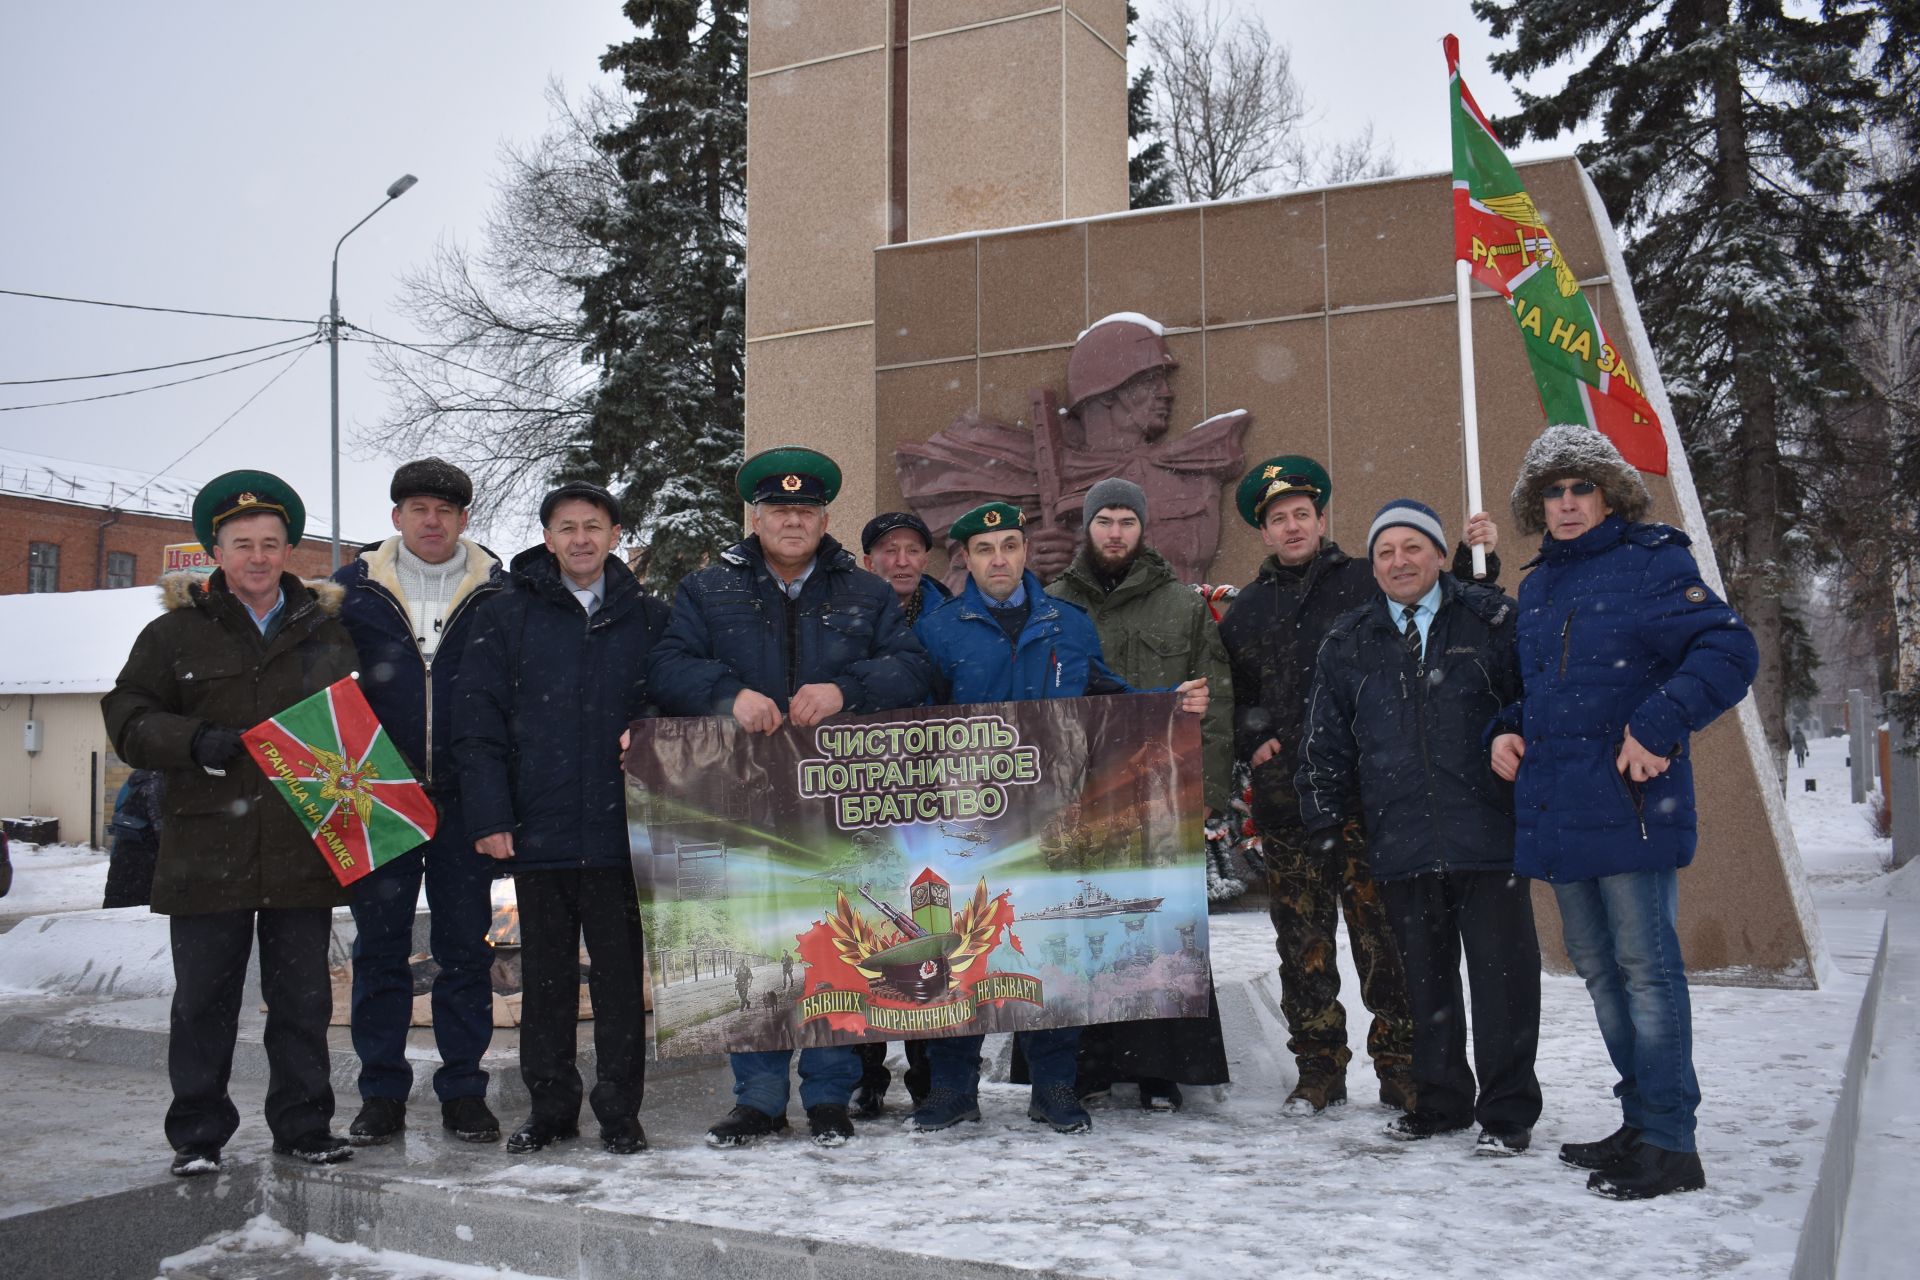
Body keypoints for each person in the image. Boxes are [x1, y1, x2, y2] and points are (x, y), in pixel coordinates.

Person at [1492, 425, 1757, 1200]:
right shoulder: (1537, 586)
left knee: (1647, 973)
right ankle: (1641, 1120)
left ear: (1608, 494)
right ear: (1537, 505)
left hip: (1632, 807)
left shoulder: (1652, 562)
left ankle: (1674, 1143)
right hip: (1560, 812)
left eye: (1581, 489)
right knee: (1602, 974)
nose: (1568, 504)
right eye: (1554, 492)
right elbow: (1544, 696)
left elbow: (1729, 651)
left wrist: (1657, 724)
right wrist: (1505, 729)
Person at [648, 446, 934, 1149]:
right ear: (757, 516)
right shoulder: (708, 588)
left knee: (835, 944)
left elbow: (913, 667)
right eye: (779, 509)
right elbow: (668, 665)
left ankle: (830, 1097)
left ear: (825, 518)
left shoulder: (865, 593)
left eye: (805, 510)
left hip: (839, 805)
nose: (792, 521)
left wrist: (848, 690)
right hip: (739, 803)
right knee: (753, 939)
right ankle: (759, 1100)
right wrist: (729, 694)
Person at [910, 501, 1210, 1135]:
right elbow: (913, 723)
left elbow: (1103, 696)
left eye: (1010, 546)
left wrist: (1168, 707)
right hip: (969, 823)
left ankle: (1054, 1086)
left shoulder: (1065, 623)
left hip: (1057, 816)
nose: (999, 559)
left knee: (1054, 948)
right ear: (965, 558)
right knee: (959, 950)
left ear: (1025, 552)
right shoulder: (939, 631)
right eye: (985, 549)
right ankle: (952, 1088)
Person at [1220, 456, 1497, 1117]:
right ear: (1264, 532)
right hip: (1289, 804)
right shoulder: (1247, 611)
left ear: (1321, 519)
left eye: (1301, 515)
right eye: (1278, 519)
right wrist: (1247, 737)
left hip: (1370, 800)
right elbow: (1230, 695)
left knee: (1385, 942)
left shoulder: (1363, 584)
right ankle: (1319, 1070)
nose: (1291, 527)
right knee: (1302, 946)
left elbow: (1439, 611)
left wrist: (1471, 559)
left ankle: (1400, 1068)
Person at [102, 470, 358, 1175]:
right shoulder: (174, 635)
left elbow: (356, 733)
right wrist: (192, 742)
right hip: (206, 843)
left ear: (287, 551)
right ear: (215, 551)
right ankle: (198, 1136)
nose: (257, 556)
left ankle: (304, 1126)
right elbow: (126, 718)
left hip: (303, 843)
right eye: (242, 543)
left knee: (303, 1002)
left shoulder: (326, 633)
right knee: (205, 1001)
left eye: (270, 543)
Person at [1297, 498, 1541, 1154]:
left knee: (1502, 983)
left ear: (1439, 555)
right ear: (1372, 566)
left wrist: (1514, 731)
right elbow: (1325, 739)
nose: (1399, 562)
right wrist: (1324, 813)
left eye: (1412, 548)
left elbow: (1532, 699)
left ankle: (1508, 1112)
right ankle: (1440, 1102)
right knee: (1424, 985)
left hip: (1487, 836)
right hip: (1400, 837)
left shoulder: (1492, 620)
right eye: (1385, 552)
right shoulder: (1350, 639)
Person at [453, 480, 668, 1157]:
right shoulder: (506, 615)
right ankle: (549, 1107)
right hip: (537, 830)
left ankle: (619, 1111)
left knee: (617, 980)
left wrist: (652, 731)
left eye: (594, 526)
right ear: (547, 538)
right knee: (544, 981)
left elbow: (677, 701)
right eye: (567, 527)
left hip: (620, 833)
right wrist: (490, 812)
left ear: (613, 537)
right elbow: (476, 723)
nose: (581, 538)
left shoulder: (649, 618)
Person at [332, 458, 506, 1146]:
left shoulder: (500, 590)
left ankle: (464, 1090)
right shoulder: (347, 593)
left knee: (465, 951)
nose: (431, 521)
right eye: (418, 509)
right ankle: (381, 1094)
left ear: (465, 519)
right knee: (379, 953)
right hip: (376, 795)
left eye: (445, 510)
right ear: (396, 516)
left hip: (467, 796)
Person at [1046, 477, 1233, 1111]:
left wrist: (1206, 790)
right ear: (1088, 528)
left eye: (1127, 521)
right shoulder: (1053, 606)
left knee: (1158, 930)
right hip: (1076, 796)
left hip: (1159, 795)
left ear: (1142, 529)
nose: (1116, 532)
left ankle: (1159, 1067)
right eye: (1105, 521)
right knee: (1080, 931)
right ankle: (1086, 1064)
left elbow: (1216, 700)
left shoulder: (1181, 604)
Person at [897, 313, 1247, 585]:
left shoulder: (1192, 474)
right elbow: (965, 586)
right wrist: (1034, 565)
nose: (1166, 393)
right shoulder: (1022, 477)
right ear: (1108, 393)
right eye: (1150, 381)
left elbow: (1184, 572)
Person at [851, 511, 948, 1118]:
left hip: (932, 797)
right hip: (858, 794)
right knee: (866, 931)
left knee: (926, 932)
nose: (902, 560)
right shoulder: (848, 616)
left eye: (914, 550)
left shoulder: (952, 618)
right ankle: (866, 1072)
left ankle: (929, 1074)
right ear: (868, 561)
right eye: (889, 551)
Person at [102, 768, 164, 909]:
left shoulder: (134, 783)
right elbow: (166, 839)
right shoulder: (155, 785)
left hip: (124, 870)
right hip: (143, 876)